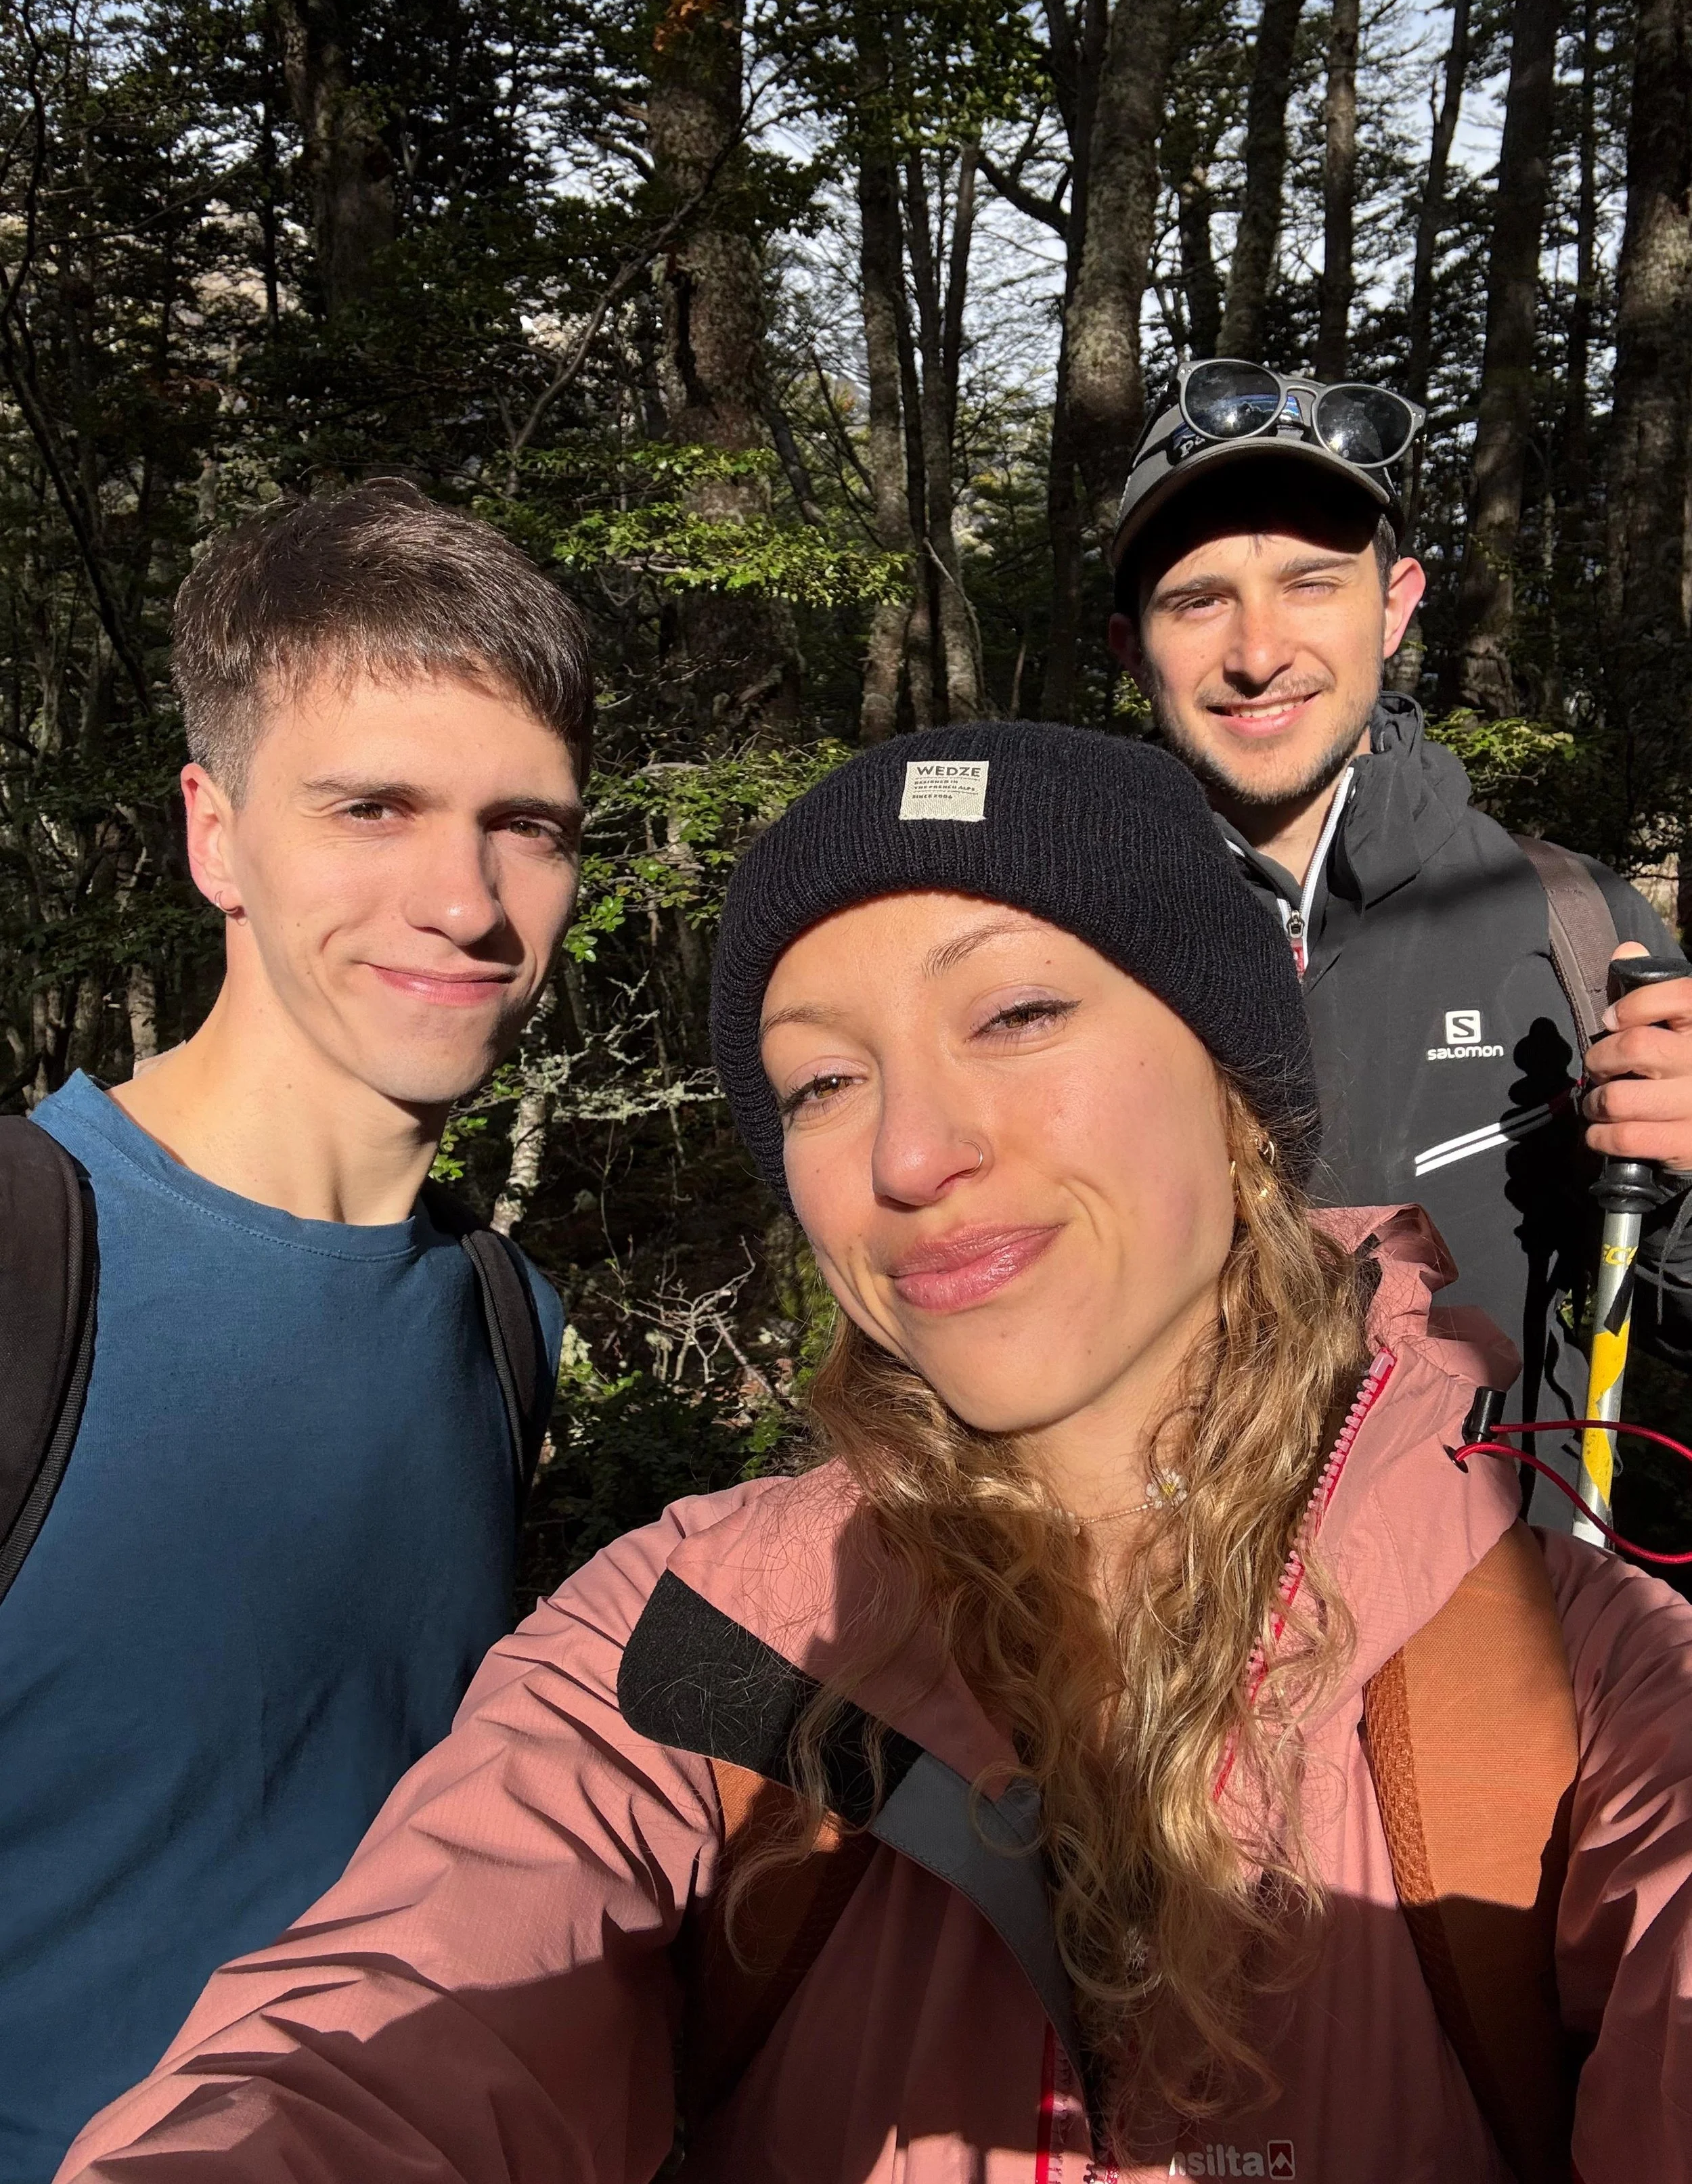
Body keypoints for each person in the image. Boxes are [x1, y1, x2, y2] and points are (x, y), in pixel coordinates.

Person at [55, 728, 1692, 2183]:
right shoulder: (704, 1637)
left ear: (1235, 1085)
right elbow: (396, 2026)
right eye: (822, 1083)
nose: (909, 1153)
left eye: (1020, 1011)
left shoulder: (1571, 1676)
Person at [0, 484, 584, 2181]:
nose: (464, 900)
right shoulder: (35, 1259)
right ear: (215, 833)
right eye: (372, 807)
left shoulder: (499, 1316)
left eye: (524, 824)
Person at [1108, 359, 1692, 1523]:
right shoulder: (1067, 943)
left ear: (1397, 604)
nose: (1258, 652)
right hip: (1142, 1653)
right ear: (1135, 650)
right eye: (1199, 599)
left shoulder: (1574, 924)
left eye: (1312, 587)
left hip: (1500, 1645)